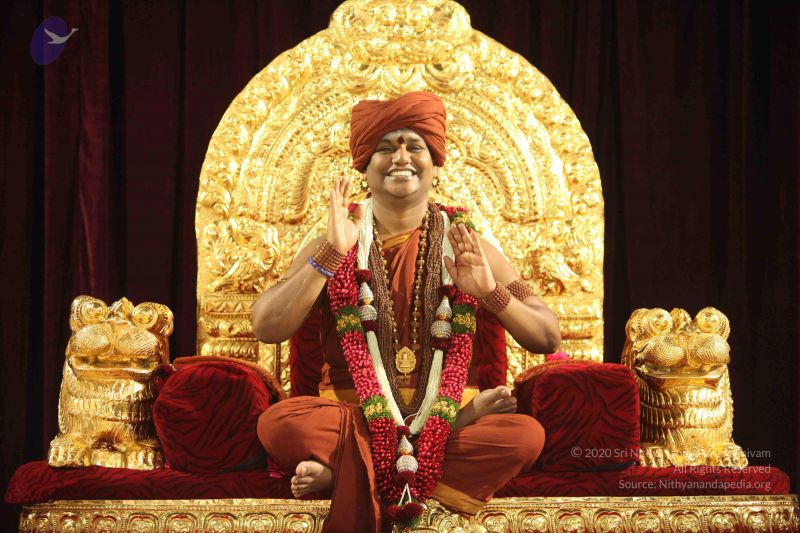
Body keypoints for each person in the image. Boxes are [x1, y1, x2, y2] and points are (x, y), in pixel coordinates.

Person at [251, 91, 560, 532]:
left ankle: (350, 473)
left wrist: (491, 293)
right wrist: (330, 255)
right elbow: (267, 326)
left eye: (415, 146)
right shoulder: (334, 240)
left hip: (449, 419)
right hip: (354, 417)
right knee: (278, 424)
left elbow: (546, 336)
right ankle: (389, 469)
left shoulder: (468, 244)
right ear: (364, 165)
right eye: (385, 147)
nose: (401, 157)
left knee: (523, 436)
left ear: (434, 162)